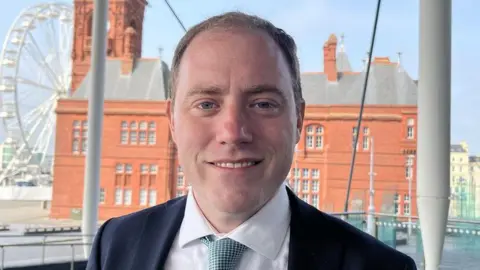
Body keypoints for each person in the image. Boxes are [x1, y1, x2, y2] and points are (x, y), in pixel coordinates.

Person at [86, 11, 417, 270]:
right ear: (172, 119)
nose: (233, 132)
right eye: (206, 104)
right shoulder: (114, 245)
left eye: (263, 104)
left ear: (299, 119)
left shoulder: (381, 267)